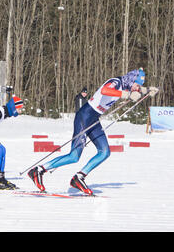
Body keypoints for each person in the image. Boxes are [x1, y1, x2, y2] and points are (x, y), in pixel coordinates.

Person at [28, 68, 159, 195]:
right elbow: (105, 90)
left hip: (94, 119)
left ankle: (79, 178)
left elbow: (136, 88)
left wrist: (147, 90)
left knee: (105, 152)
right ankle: (38, 170)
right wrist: (127, 94)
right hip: (84, 116)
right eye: (136, 85)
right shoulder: (117, 82)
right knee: (74, 156)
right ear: (131, 79)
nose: (137, 88)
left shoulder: (127, 85)